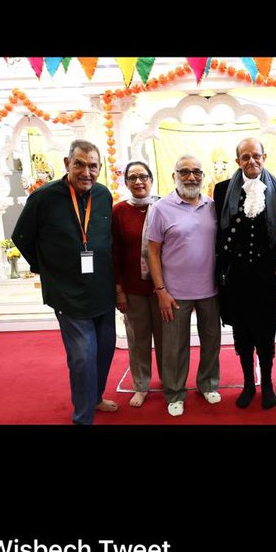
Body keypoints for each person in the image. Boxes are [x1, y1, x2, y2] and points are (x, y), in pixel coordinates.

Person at [12, 139, 117, 425]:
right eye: (80, 164)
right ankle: (83, 418)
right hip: (67, 294)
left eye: (93, 166)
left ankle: (95, 398)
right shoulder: (43, 198)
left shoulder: (104, 195)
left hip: (102, 290)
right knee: (83, 356)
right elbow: (21, 237)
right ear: (67, 164)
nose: (86, 172)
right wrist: (45, 268)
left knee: (105, 349)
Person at [214, 137, 276, 409]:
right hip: (236, 278)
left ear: (264, 157)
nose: (251, 161)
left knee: (265, 332)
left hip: (266, 278)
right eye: (245, 157)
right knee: (242, 334)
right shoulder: (222, 190)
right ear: (238, 161)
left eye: (256, 155)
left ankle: (267, 383)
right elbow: (219, 234)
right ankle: (248, 383)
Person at [147, 155, 221, 418]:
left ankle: (208, 383)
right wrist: (160, 290)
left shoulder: (213, 205)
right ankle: (175, 393)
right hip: (174, 293)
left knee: (212, 341)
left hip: (210, 290)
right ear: (174, 176)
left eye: (196, 171)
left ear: (203, 175)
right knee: (174, 347)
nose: (191, 177)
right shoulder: (161, 208)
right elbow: (152, 251)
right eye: (185, 172)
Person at [112, 160, 163, 408]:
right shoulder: (119, 211)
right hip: (132, 290)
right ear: (126, 183)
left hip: (162, 289)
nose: (138, 182)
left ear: (151, 180)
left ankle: (169, 380)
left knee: (166, 339)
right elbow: (114, 253)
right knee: (138, 339)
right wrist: (119, 290)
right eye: (132, 178)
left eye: (143, 176)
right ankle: (141, 385)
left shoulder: (164, 207)